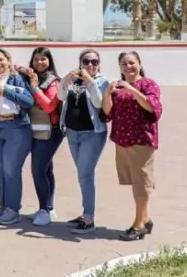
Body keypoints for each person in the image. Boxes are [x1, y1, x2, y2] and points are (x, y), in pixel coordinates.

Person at [103, 51, 162, 241]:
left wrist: (132, 90)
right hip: (122, 140)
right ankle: (146, 218)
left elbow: (152, 107)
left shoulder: (148, 84)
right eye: (124, 64)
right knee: (135, 182)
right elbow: (108, 112)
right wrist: (107, 94)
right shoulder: (117, 87)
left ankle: (139, 225)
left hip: (141, 140)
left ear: (139, 63)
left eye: (131, 63)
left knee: (141, 183)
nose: (128, 67)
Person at [0, 48, 35, 226]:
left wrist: (5, 91)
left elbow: (28, 101)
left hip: (15, 126)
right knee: (0, 169)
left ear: (8, 60)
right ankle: (3, 206)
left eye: (1, 59)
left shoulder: (16, 78)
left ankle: (13, 209)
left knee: (11, 170)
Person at [58, 48, 110, 234]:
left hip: (92, 133)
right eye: (86, 61)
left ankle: (89, 218)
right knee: (82, 175)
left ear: (99, 64)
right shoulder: (74, 80)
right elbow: (61, 96)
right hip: (73, 132)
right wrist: (66, 79)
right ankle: (85, 212)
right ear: (80, 63)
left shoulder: (103, 82)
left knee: (85, 174)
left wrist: (90, 82)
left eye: (94, 62)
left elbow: (97, 103)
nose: (90, 65)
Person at [20, 46, 63, 227]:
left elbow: (49, 106)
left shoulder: (54, 81)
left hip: (50, 132)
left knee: (38, 170)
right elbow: (12, 65)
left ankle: (44, 210)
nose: (39, 63)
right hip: (37, 131)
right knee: (46, 170)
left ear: (50, 61)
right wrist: (23, 70)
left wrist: (36, 88)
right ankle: (49, 208)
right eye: (36, 59)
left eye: (43, 59)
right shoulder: (30, 76)